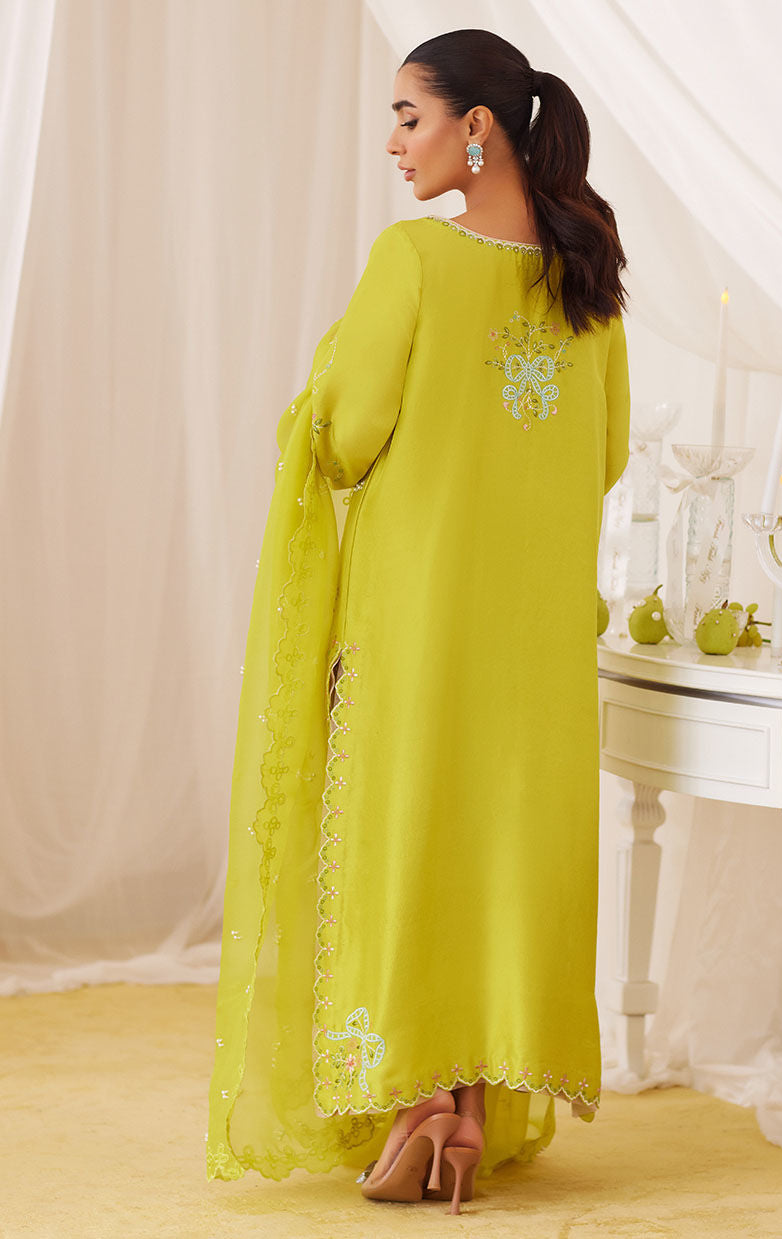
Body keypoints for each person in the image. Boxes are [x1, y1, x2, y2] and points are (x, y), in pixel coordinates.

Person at [206, 27, 630, 1216]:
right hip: (539, 636)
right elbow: (604, 457)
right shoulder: (589, 277)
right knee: (499, 850)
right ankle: (469, 1114)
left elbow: (344, 438)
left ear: (475, 126)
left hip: (418, 622)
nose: (395, 144)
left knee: (407, 844)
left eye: (410, 117)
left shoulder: (414, 260)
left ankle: (419, 1104)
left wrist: (320, 385)